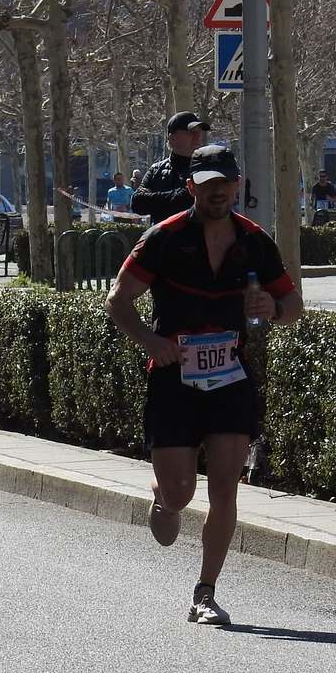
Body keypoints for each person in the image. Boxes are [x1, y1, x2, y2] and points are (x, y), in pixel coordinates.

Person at [104, 145, 304, 625]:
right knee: (181, 494)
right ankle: (164, 498)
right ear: (191, 187)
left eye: (227, 183)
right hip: (174, 377)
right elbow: (118, 300)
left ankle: (205, 592)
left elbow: (293, 305)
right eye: (209, 183)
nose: (219, 192)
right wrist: (151, 341)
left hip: (231, 376)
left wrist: (273, 311)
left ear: (237, 186)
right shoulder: (164, 238)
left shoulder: (254, 241)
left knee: (225, 490)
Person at [133, 111, 210, 225]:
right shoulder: (156, 169)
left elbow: (186, 201)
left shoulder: (206, 169)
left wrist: (152, 199)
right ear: (172, 138)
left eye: (199, 132)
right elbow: (137, 203)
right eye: (191, 132)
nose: (197, 136)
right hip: (161, 240)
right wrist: (177, 196)